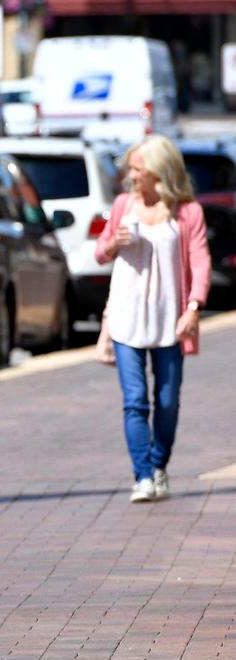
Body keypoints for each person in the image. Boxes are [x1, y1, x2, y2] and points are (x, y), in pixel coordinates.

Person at [94, 134, 210, 503]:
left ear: (159, 171)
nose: (131, 175)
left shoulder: (187, 212)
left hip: (169, 319)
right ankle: (143, 475)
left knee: (168, 399)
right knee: (135, 400)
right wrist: (115, 243)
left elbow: (200, 261)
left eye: (137, 168)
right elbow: (100, 253)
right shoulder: (123, 205)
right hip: (126, 317)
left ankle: (159, 465)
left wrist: (193, 308)